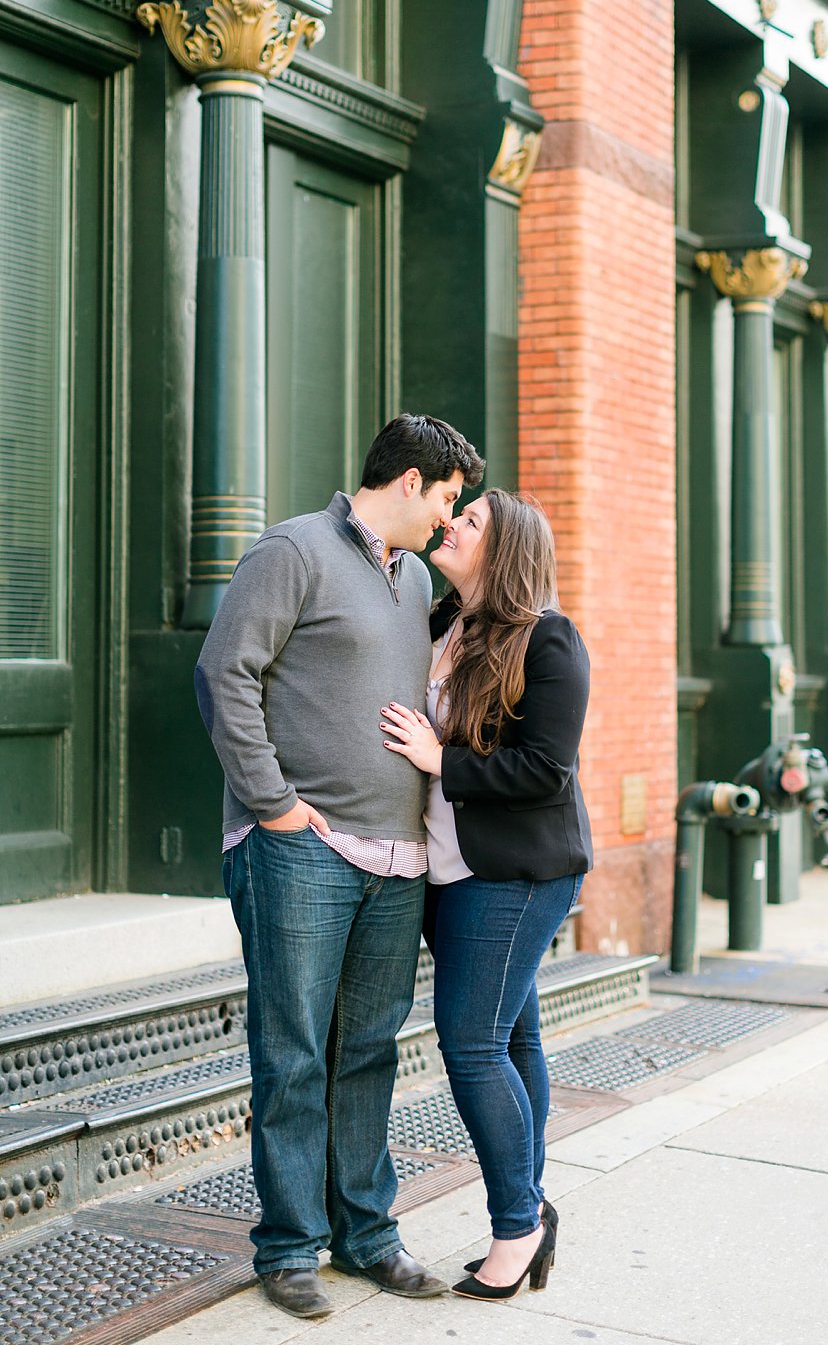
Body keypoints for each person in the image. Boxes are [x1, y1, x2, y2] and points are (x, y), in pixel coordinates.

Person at [196, 414, 484, 1319]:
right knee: (292, 1053)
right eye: (447, 501)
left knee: (366, 1052)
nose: (449, 522)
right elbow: (223, 674)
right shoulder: (294, 551)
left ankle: (367, 1232)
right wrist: (273, 804)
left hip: (395, 861)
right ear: (408, 482)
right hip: (302, 853)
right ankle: (288, 1248)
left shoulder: (409, 585)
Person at [379, 487, 593, 1302]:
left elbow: (546, 769)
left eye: (470, 522)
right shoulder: (441, 623)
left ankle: (515, 1228)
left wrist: (443, 763)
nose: (452, 523)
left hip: (516, 873)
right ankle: (532, 1207)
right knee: (511, 1039)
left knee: (471, 1044)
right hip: (447, 868)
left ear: (503, 552)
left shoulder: (550, 642)